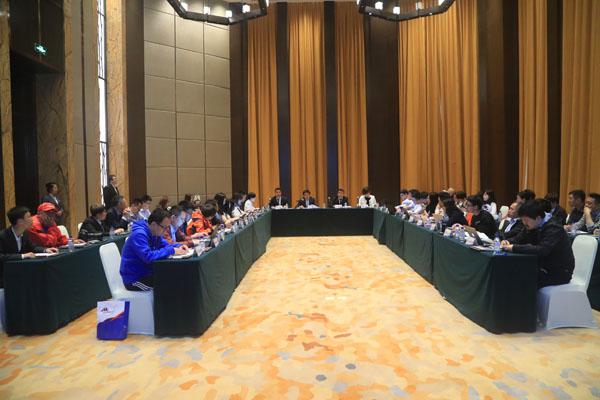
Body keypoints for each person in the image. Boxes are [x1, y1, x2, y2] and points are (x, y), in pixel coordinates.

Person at [502, 200, 575, 288]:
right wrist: (508, 242)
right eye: (522, 220)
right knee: (511, 270)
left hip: (559, 272)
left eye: (526, 220)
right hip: (541, 266)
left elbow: (542, 250)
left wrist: (514, 247)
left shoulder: (554, 227)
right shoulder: (532, 225)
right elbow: (518, 239)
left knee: (521, 277)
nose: (524, 223)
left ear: (538, 218)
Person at [119, 208, 188, 291]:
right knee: (168, 285)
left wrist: (178, 246)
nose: (166, 230)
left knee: (175, 277)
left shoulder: (155, 233)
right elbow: (148, 257)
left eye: (167, 227)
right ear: (154, 224)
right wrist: (171, 250)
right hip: (134, 279)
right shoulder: (139, 234)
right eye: (164, 227)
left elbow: (167, 245)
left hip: (147, 273)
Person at [0, 206, 58, 287]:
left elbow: (33, 247)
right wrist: (22, 256)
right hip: (5, 277)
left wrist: (45, 250)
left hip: (20, 273)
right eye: (29, 217)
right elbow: (1, 256)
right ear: (20, 222)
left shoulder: (25, 234)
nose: (32, 219)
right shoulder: (3, 236)